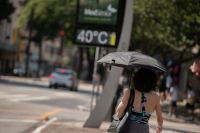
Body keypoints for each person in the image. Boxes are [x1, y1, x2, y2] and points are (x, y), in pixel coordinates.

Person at [115, 68, 163, 133]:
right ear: (153, 81)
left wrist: (113, 127)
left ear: (136, 79)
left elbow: (119, 112)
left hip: (128, 128)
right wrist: (159, 127)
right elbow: (160, 118)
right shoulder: (156, 97)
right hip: (144, 130)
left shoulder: (130, 92)